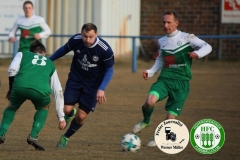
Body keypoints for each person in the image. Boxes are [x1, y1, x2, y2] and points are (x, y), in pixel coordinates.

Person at [131, 11, 212, 147]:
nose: (166, 25)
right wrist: (150, 72)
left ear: (176, 23)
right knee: (149, 101)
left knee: (170, 118)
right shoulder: (162, 41)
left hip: (182, 83)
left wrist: (197, 53)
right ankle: (146, 121)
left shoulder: (187, 38)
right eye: (164, 22)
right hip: (165, 79)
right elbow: (161, 59)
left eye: (169, 22)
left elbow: (207, 46)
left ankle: (159, 135)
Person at [49, 23, 114, 148]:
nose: (87, 40)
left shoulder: (104, 49)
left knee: (81, 116)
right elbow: (63, 50)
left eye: (90, 37)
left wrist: (102, 88)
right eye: (85, 36)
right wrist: (49, 60)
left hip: (93, 85)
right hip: (76, 79)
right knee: (65, 110)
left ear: (96, 35)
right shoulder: (76, 40)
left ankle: (65, 137)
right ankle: (70, 113)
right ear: (81, 33)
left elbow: (109, 70)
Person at [0, 40, 66, 151]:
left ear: (31, 51)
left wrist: (11, 89)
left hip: (20, 86)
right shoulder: (50, 63)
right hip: (40, 91)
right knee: (44, 107)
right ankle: (33, 136)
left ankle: (1, 133)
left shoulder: (23, 54)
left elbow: (12, 70)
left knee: (12, 107)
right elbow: (58, 90)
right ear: (44, 53)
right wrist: (61, 117)